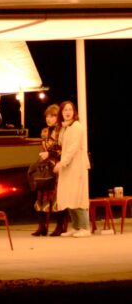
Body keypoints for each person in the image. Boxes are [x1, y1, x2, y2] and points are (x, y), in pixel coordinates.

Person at [54, 100, 91, 237]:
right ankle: (76, 226)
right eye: (65, 110)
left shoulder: (76, 127)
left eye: (70, 110)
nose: (67, 112)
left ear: (74, 112)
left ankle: (85, 227)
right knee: (68, 195)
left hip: (76, 165)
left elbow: (73, 148)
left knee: (77, 194)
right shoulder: (65, 127)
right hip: (68, 165)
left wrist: (62, 163)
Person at [31, 104, 62, 236]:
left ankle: (61, 226)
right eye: (47, 116)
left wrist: (51, 155)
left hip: (57, 165)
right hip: (45, 166)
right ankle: (42, 226)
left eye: (52, 116)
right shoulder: (44, 131)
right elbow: (43, 148)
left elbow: (63, 149)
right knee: (41, 194)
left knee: (56, 196)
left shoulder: (61, 131)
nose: (49, 119)